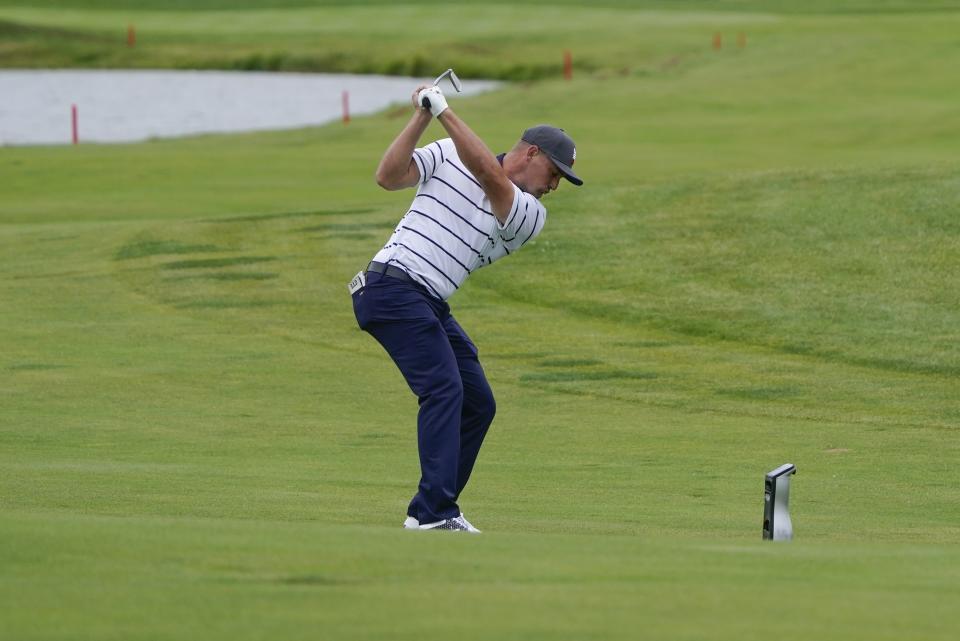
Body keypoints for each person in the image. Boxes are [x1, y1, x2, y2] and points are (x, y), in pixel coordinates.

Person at [349, 81, 583, 532]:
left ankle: (429, 509)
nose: (554, 186)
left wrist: (444, 110)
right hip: (391, 287)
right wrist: (421, 114)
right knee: (444, 389)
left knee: (477, 401)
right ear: (531, 153)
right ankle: (436, 514)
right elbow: (388, 176)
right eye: (554, 173)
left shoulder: (529, 214)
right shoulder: (446, 152)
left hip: (425, 300)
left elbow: (491, 177)